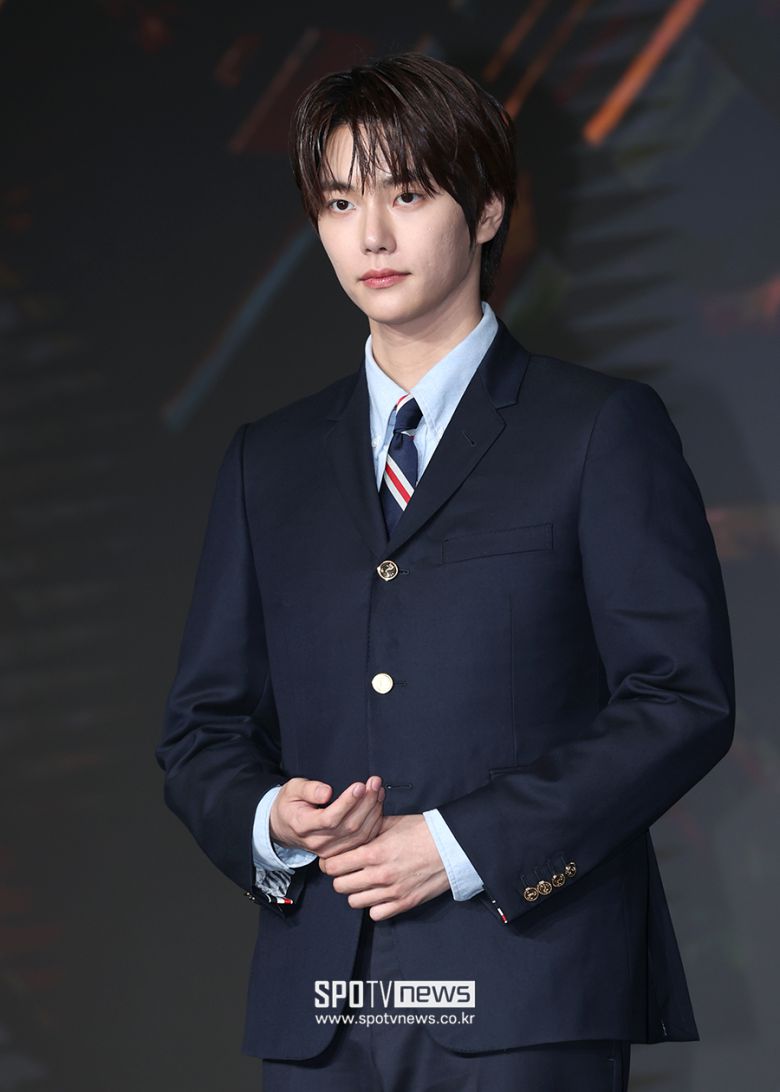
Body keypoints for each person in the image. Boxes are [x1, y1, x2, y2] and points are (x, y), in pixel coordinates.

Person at [156, 51, 735, 1091]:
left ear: (486, 210)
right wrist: (271, 821)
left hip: (526, 991)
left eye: (409, 194)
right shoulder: (266, 463)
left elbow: (679, 698)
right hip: (322, 1009)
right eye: (340, 203)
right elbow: (202, 728)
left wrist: (462, 843)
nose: (371, 236)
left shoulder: (599, 429)